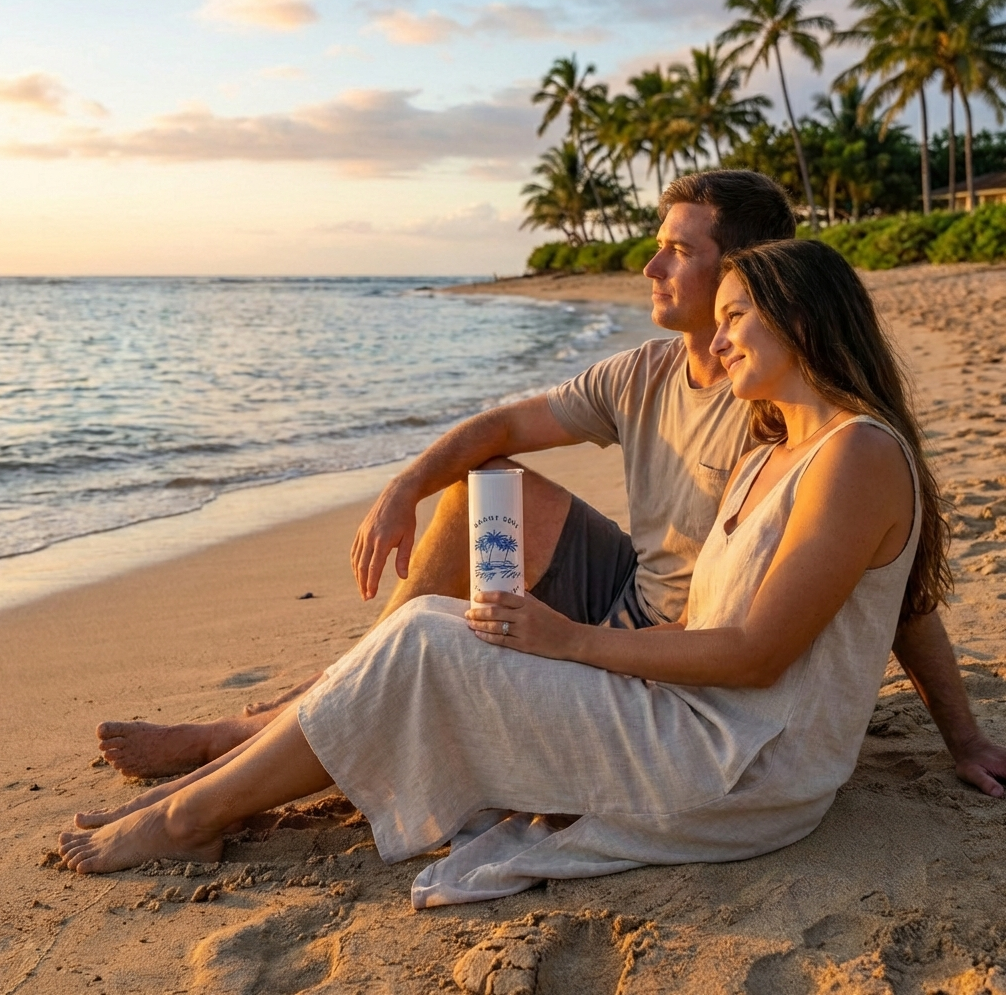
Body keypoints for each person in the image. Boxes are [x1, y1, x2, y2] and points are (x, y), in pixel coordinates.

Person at [57, 240, 958, 906]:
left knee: (423, 644)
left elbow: (762, 655)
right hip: (704, 720)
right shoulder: (776, 450)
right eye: (717, 321)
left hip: (745, 766)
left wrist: (569, 641)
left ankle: (191, 816)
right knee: (438, 631)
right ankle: (219, 787)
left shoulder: (857, 458)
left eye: (735, 319)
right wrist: (561, 648)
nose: (717, 345)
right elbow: (723, 624)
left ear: (801, 318)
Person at [93, 170, 1006, 798]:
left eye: (677, 252)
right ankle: (316, 705)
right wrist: (404, 485)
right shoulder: (646, 373)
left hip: (686, 653)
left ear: (747, 272)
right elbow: (501, 428)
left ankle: (260, 731)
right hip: (624, 593)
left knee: (431, 633)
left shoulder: (790, 408)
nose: (650, 267)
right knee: (479, 486)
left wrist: (962, 736)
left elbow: (889, 581)